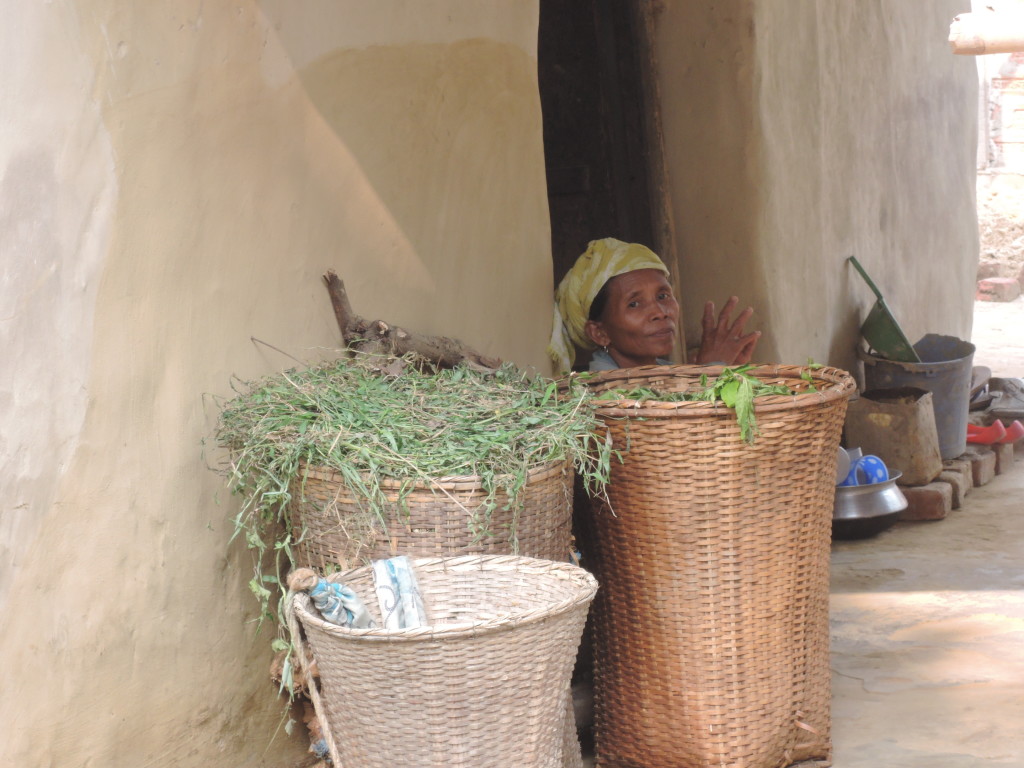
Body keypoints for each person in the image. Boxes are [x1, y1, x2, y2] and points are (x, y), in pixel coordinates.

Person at [548, 238, 761, 373]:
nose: (660, 313)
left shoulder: (668, 373)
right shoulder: (602, 393)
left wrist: (732, 373)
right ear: (600, 333)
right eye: (634, 304)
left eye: (663, 296)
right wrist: (711, 371)